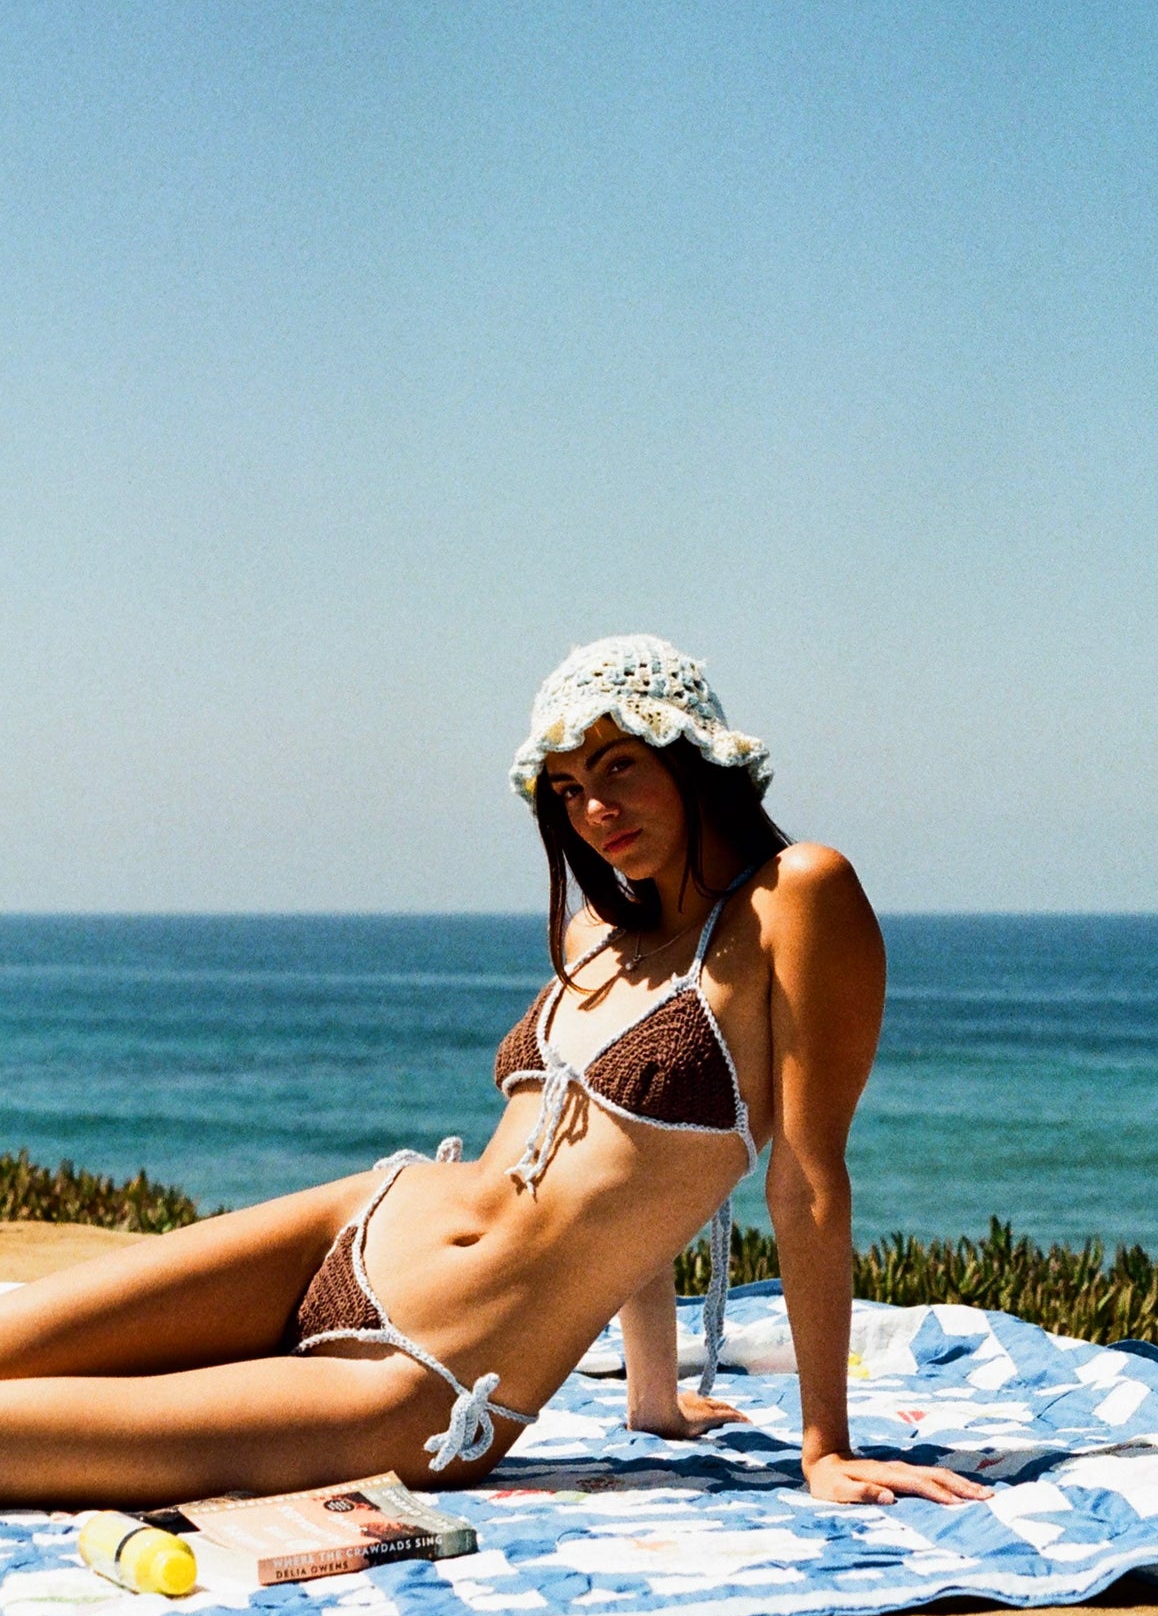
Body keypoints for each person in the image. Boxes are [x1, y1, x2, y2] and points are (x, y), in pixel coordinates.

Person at [0, 636, 987, 1514]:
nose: (593, 810)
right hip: (352, 1220)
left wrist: (825, 1445)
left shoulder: (797, 898)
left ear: (691, 759)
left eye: (618, 768)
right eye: (565, 787)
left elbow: (805, 1184)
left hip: (429, 1378)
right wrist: (650, 1396)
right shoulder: (598, 926)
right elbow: (628, 1184)